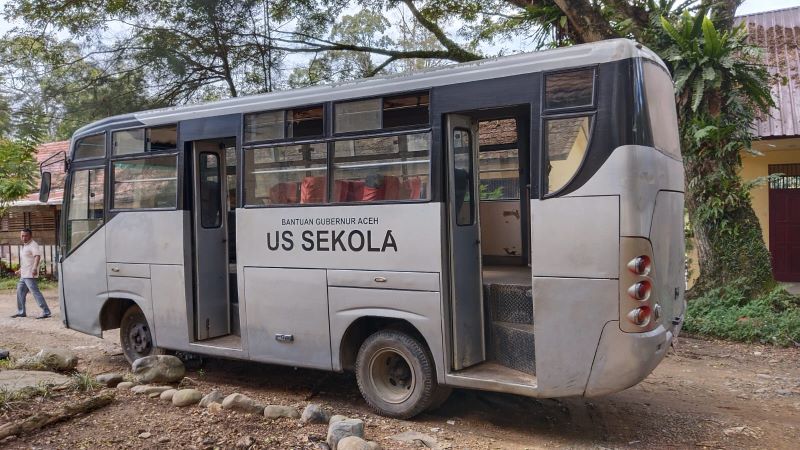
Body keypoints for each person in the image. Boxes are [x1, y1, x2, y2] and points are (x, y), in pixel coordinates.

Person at [11, 228, 51, 319]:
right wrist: (20, 270)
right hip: (24, 274)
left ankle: (46, 311)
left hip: (30, 274)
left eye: (26, 235)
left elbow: (37, 256)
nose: (24, 237)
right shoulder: (25, 245)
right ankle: (21, 312)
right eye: (22, 235)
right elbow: (26, 261)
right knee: (20, 291)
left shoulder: (33, 244)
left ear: (30, 236)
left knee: (35, 292)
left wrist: (34, 268)